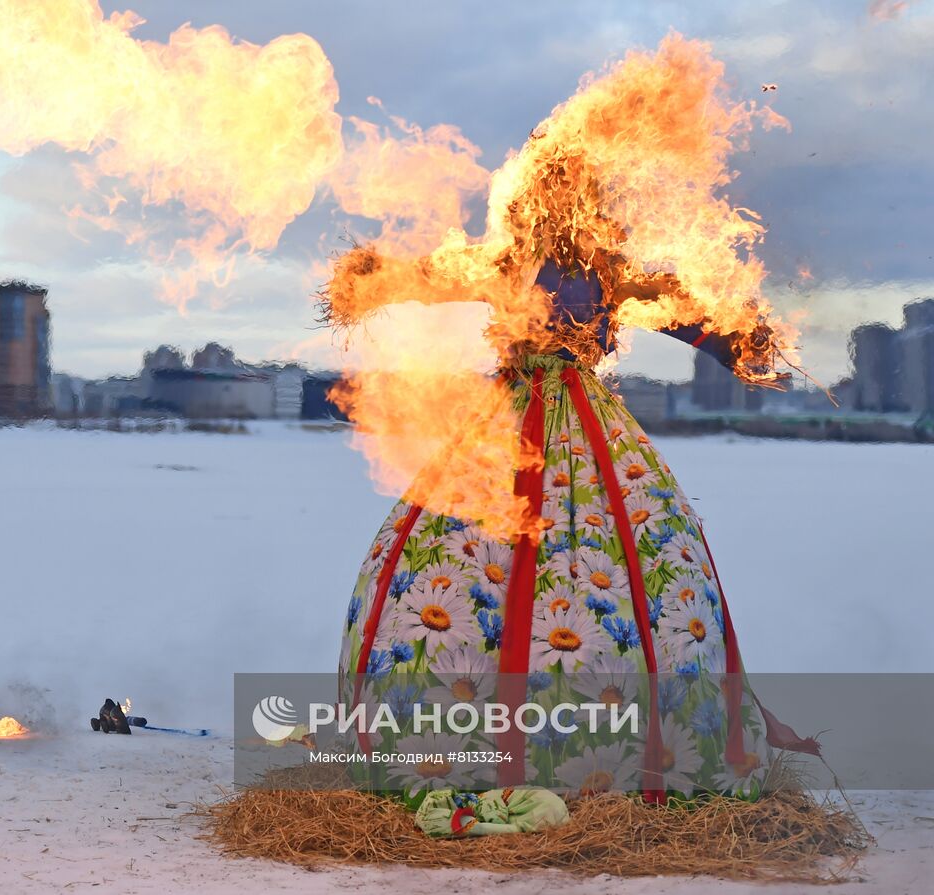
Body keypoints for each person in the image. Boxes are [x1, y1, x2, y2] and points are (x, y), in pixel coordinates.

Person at [327, 169, 808, 806]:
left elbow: (685, 315)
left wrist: (741, 343)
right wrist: (367, 281)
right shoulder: (522, 264)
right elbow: (427, 279)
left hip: (570, 418)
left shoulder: (592, 269)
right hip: (523, 421)